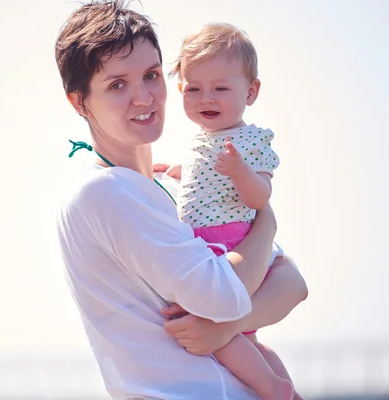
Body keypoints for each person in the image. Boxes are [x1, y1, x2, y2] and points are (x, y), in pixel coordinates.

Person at [55, 1, 308, 399]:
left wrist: (223, 328)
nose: (143, 97)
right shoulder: (102, 191)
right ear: (79, 101)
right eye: (117, 84)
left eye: (151, 75)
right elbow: (222, 296)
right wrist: (267, 222)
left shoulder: (176, 187)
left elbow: (292, 284)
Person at [154, 23, 301, 400]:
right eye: (194, 89)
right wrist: (177, 171)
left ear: (250, 92)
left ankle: (271, 387)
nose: (207, 98)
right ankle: (287, 389)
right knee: (245, 337)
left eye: (221, 88)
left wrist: (240, 172)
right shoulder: (201, 142)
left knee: (213, 328)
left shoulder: (250, 141)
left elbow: (259, 196)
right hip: (214, 242)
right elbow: (204, 176)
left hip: (232, 240)